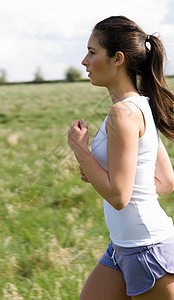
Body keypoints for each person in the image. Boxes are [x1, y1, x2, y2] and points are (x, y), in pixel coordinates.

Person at [68, 16, 174, 299]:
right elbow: (164, 181)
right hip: (122, 247)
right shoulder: (140, 105)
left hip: (147, 249)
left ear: (117, 59)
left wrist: (80, 149)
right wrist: (98, 172)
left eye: (92, 52)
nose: (84, 61)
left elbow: (118, 196)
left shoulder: (123, 113)